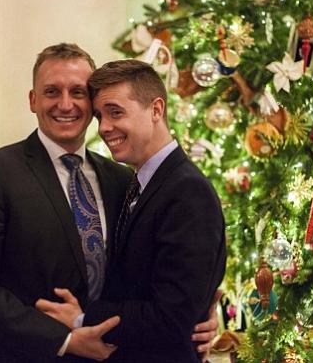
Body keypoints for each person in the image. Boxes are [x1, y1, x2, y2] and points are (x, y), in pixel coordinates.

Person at [0, 44, 218, 363]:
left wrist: (196, 316)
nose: (65, 104)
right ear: (33, 100)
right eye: (51, 91)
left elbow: (150, 277)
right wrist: (64, 340)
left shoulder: (121, 179)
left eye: (78, 92)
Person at [36, 59, 226, 363]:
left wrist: (83, 319)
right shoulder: (133, 183)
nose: (104, 128)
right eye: (100, 116)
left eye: (116, 112)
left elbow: (171, 317)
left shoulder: (188, 191)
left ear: (156, 110)